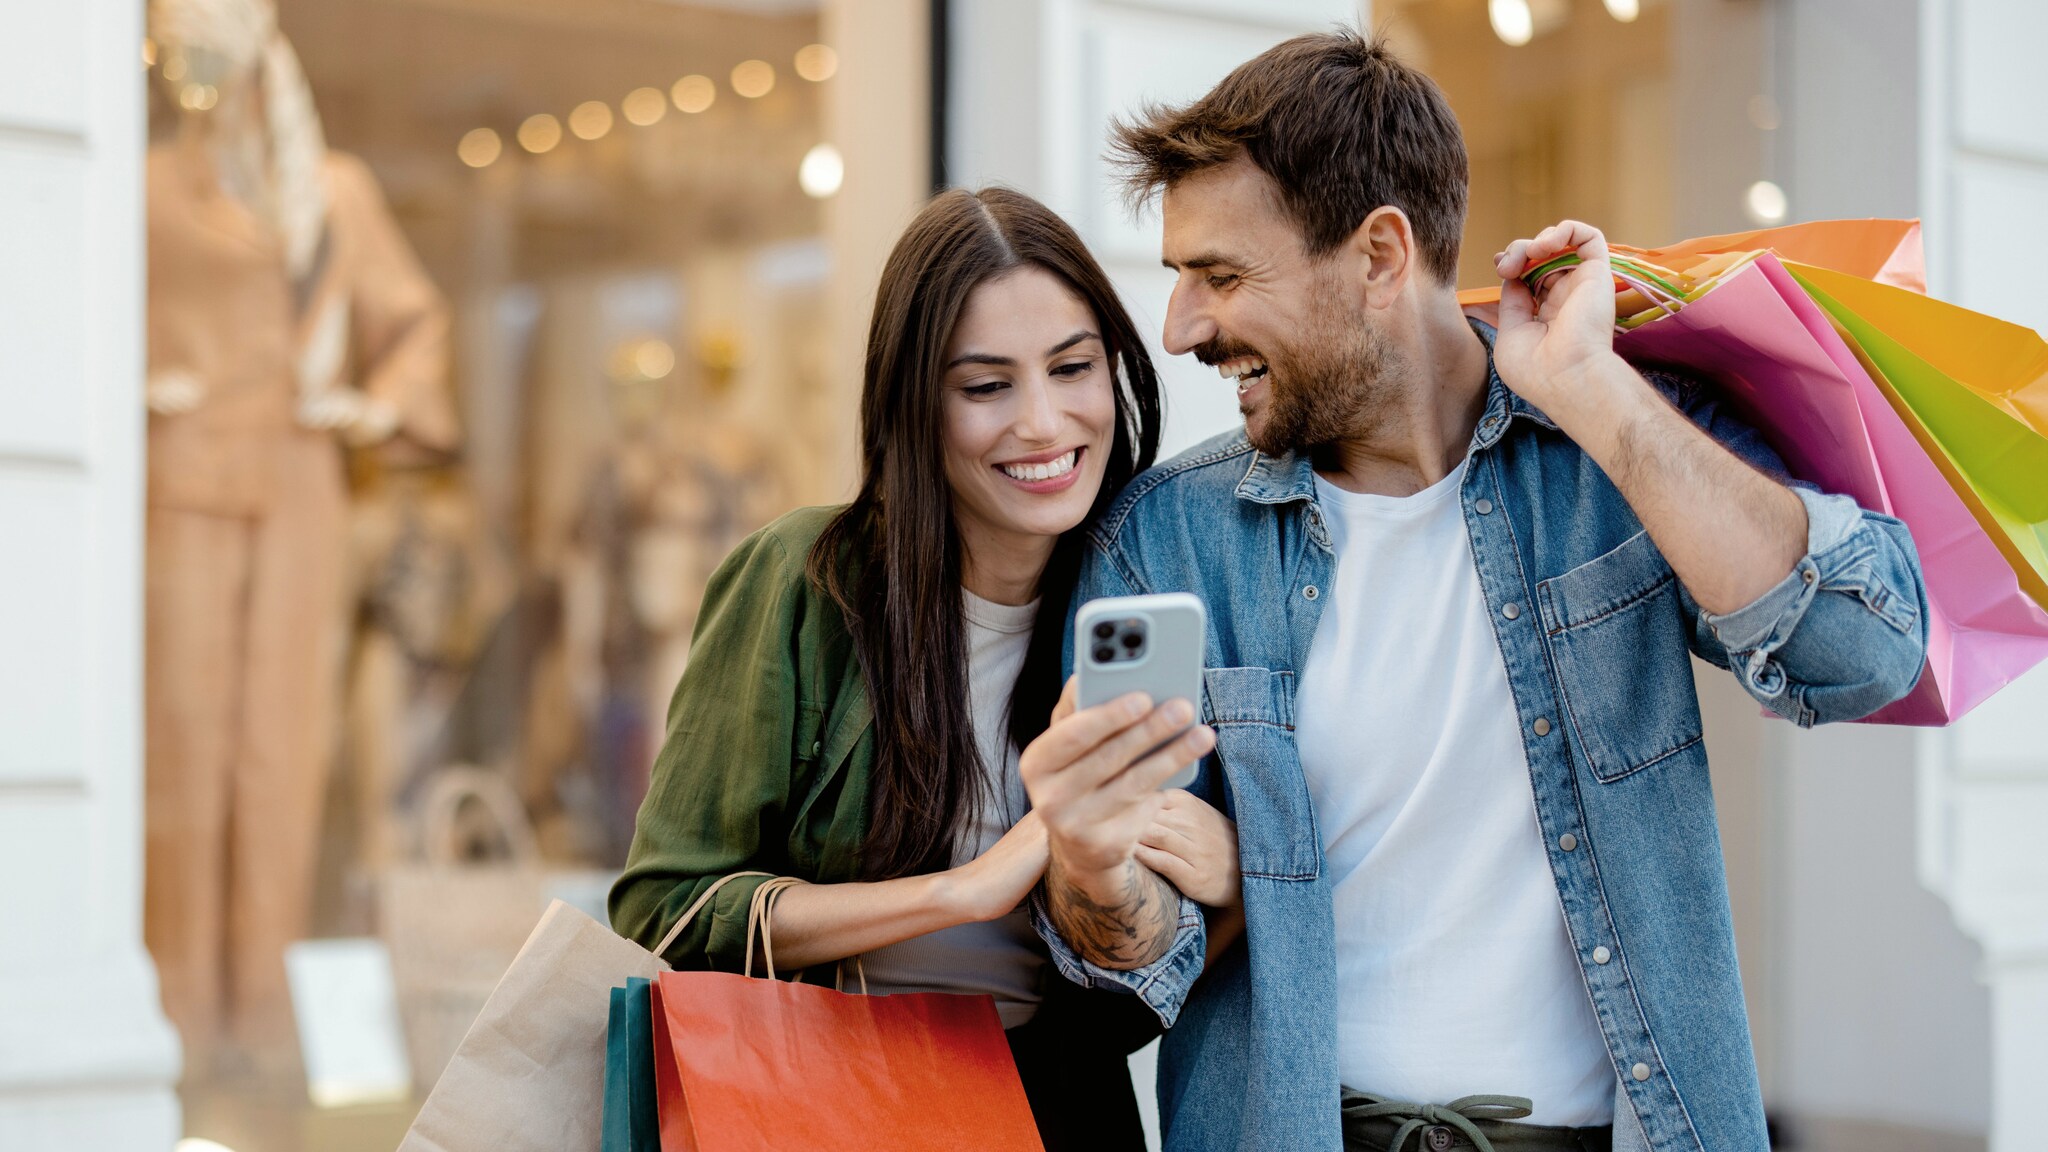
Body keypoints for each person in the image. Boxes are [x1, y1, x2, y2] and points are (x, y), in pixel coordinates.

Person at [1019, 31, 1930, 1152]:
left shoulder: (1605, 451)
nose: (1183, 329)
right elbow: (1137, 973)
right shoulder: (1167, 542)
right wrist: (1090, 865)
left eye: (1220, 275)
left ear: (1379, 255)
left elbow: (1864, 653)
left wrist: (1593, 390)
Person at [609, 186, 1235, 1149]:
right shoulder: (804, 582)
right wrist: (963, 891)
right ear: (916, 402)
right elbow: (665, 911)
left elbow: (1144, 1000)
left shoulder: (1153, 595)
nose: (1042, 422)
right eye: (986, 387)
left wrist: (1228, 883)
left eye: (1072, 368)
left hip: (1057, 1108)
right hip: (820, 1101)